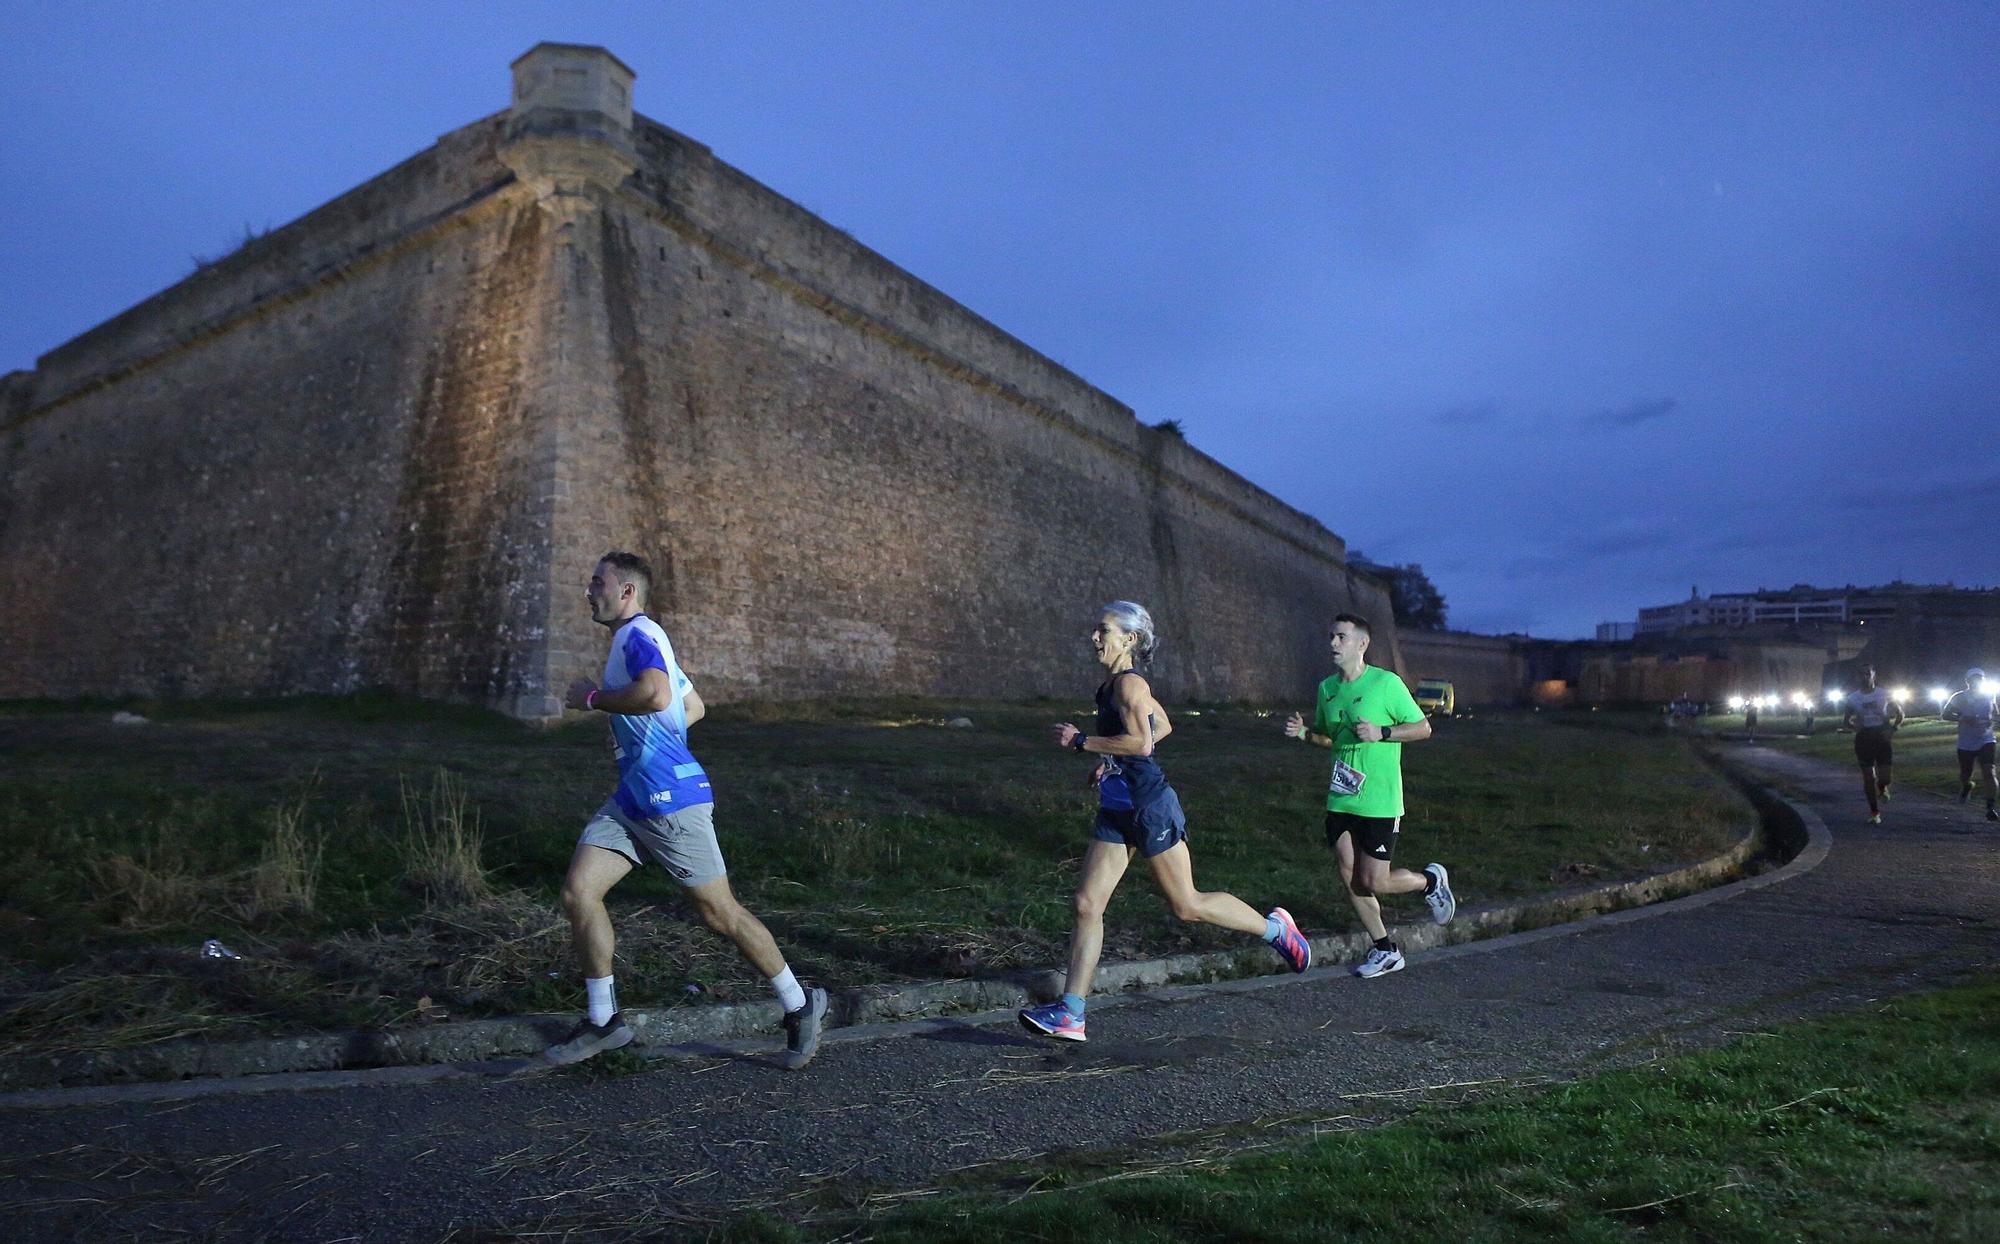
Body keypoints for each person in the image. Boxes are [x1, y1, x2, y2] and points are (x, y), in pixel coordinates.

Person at [545, 552, 828, 1069]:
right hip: (635, 797)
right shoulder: (645, 641)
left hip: (669, 801)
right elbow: (691, 706)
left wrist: (591, 698)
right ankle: (605, 1020)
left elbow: (655, 695)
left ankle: (801, 1004)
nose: (589, 590)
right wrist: (657, 743)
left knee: (720, 913)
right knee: (579, 892)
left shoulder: (637, 636)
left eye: (597, 582)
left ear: (627, 592)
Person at [1019, 601, 1312, 1042]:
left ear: (1129, 639)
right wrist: (1108, 763)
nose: (1095, 637)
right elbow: (1163, 726)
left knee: (1187, 905)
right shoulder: (1114, 685)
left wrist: (1082, 741)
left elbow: (1143, 743)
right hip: (1118, 808)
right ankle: (1071, 1012)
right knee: (1086, 904)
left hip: (1150, 806)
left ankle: (1277, 930)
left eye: (1104, 630)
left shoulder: (1130, 685)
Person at [1284, 613, 1456, 978]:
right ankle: (1385, 949)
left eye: (1341, 637)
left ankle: (1430, 881)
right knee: (1350, 877)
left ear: (1362, 644)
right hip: (1341, 796)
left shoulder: (1386, 683)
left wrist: (1384, 732)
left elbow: (1423, 728)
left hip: (1379, 800)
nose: (1333, 643)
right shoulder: (1326, 689)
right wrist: (1303, 735)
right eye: (1331, 636)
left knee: (1374, 880)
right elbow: (1331, 738)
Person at [1843, 665, 1904, 825]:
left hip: (1882, 737)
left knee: (1885, 778)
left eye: (1868, 674)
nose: (1865, 677)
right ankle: (1874, 812)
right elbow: (1846, 721)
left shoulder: (1884, 694)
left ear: (1873, 675)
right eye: (1862, 674)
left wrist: (1893, 729)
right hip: (1864, 739)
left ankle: (1883, 788)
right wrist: (1853, 726)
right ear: (1858, 677)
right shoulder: (1852, 698)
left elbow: (1900, 714)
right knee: (1868, 777)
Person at [1942, 667, 1999, 822]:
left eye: (1980, 679)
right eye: (1974, 679)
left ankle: (1990, 807)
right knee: (1965, 774)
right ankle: (1967, 786)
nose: (1977, 682)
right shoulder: (1959, 697)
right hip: (1966, 741)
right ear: (1967, 682)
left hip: (1986, 739)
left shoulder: (1989, 694)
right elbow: (1945, 714)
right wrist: (1962, 718)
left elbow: (1994, 712)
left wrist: (1992, 720)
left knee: (1989, 771)